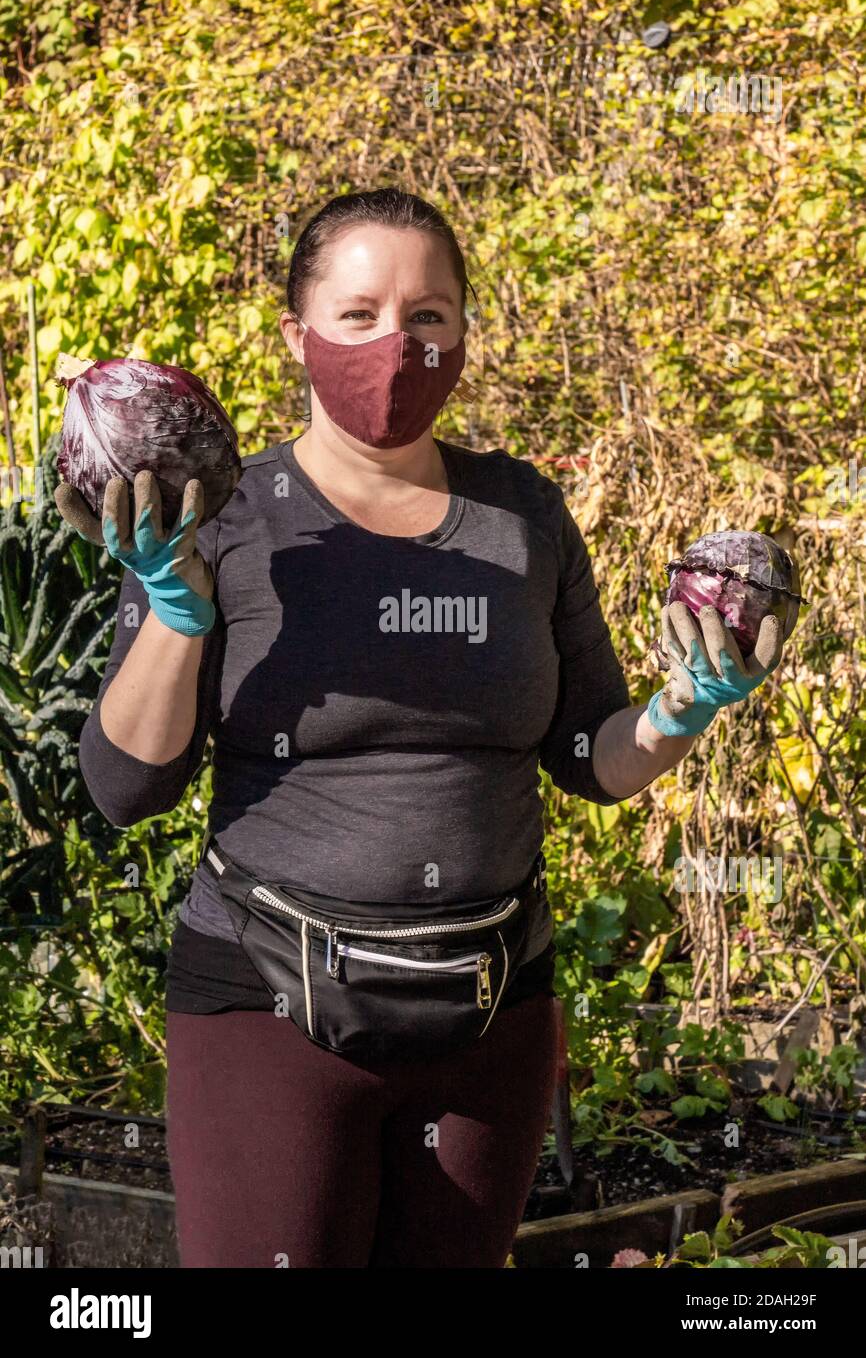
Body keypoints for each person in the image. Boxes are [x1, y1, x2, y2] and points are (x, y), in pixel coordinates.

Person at [58, 187, 787, 1268]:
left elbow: (591, 755)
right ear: (295, 337)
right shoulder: (223, 512)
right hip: (267, 1010)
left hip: (488, 1016)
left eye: (429, 316)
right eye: (358, 315)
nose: (396, 344)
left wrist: (683, 707)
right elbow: (127, 783)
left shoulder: (522, 516)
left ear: (462, 335)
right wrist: (177, 608)